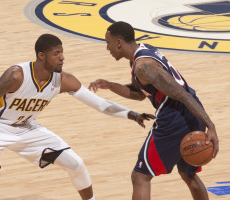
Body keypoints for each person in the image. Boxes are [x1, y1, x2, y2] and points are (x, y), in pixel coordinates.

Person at [0, 33, 155, 200]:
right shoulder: (16, 76)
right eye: (56, 53)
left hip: (26, 126)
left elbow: (99, 104)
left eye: (62, 52)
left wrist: (131, 114)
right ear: (42, 56)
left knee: (75, 163)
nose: (62, 57)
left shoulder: (63, 80)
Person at [88, 21, 219, 200]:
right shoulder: (142, 53)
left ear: (119, 42)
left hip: (175, 118)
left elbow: (181, 94)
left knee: (140, 176)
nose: (107, 48)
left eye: (108, 42)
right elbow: (140, 94)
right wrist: (110, 85)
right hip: (190, 113)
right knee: (188, 174)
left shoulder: (144, 66)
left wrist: (211, 126)